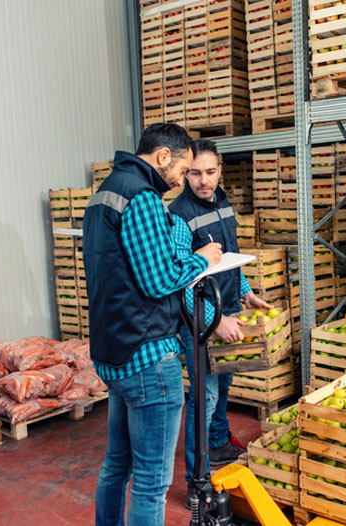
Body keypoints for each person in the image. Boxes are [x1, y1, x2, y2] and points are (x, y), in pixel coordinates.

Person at [83, 124, 222, 526]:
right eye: (183, 168)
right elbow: (158, 279)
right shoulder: (140, 196)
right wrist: (203, 261)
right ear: (163, 157)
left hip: (115, 349)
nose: (183, 179)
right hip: (146, 353)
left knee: (116, 466)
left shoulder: (104, 194)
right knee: (150, 482)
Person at [169, 139, 272, 502]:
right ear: (186, 174)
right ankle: (197, 480)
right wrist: (216, 321)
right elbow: (182, 277)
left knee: (223, 387)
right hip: (200, 319)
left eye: (210, 172)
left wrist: (245, 291)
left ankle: (217, 444)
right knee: (205, 395)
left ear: (220, 171)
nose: (203, 180)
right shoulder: (180, 215)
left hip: (227, 309)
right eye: (195, 173)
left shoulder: (223, 204)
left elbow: (226, 257)